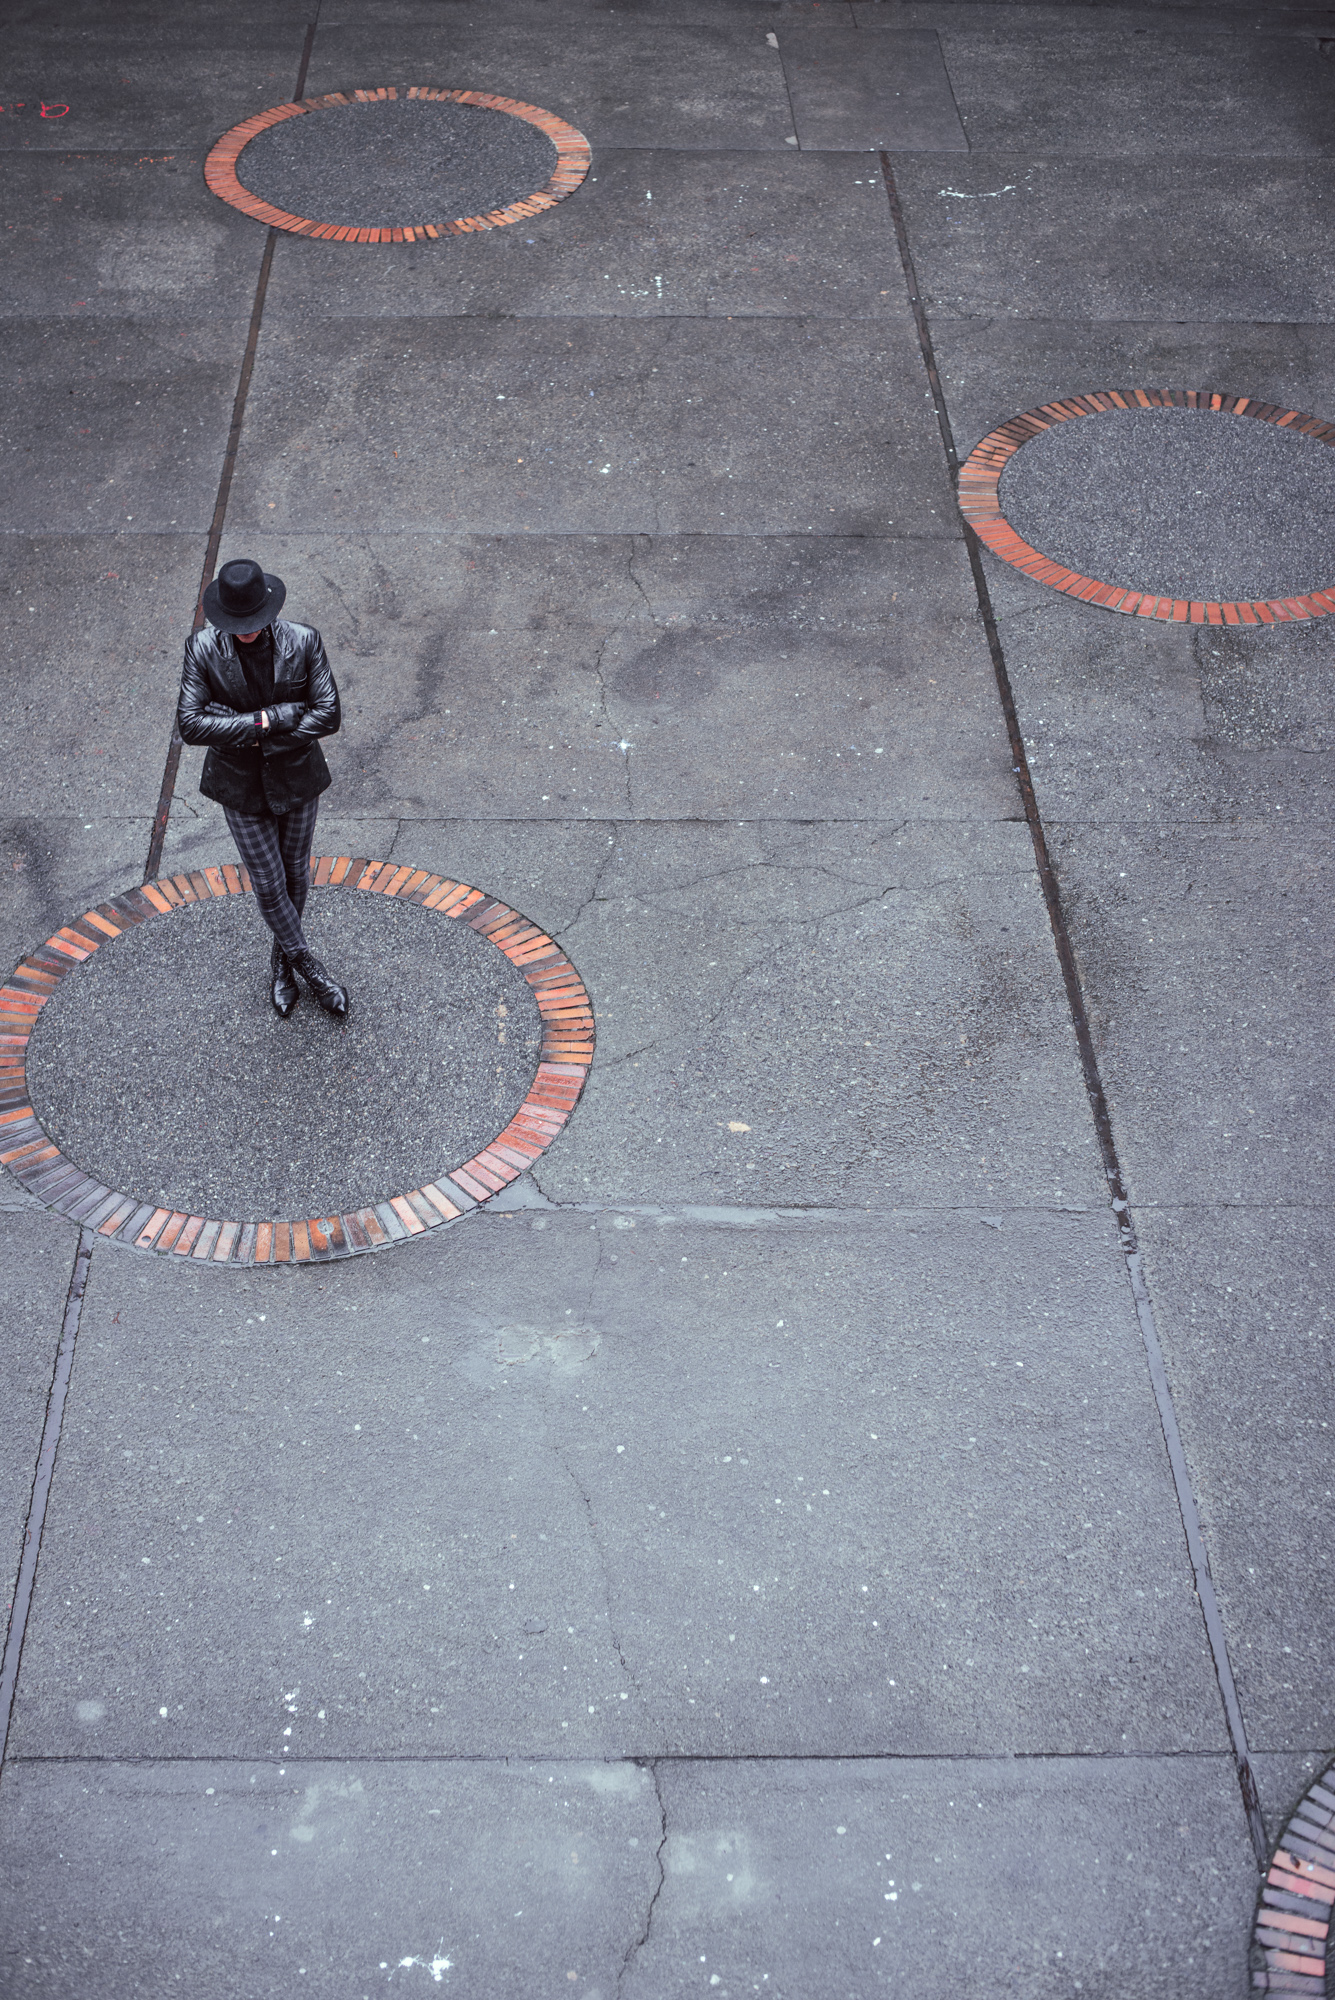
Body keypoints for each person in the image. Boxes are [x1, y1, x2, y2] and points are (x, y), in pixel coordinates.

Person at [176, 557, 349, 1019]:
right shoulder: (202, 649)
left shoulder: (304, 640)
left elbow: (327, 714)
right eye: (237, 624)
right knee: (269, 884)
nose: (246, 631)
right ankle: (308, 965)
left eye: (253, 622)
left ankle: (280, 963)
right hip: (239, 785)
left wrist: (248, 734)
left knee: (295, 874)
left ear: (270, 610)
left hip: (297, 777)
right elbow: (191, 725)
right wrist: (268, 719)